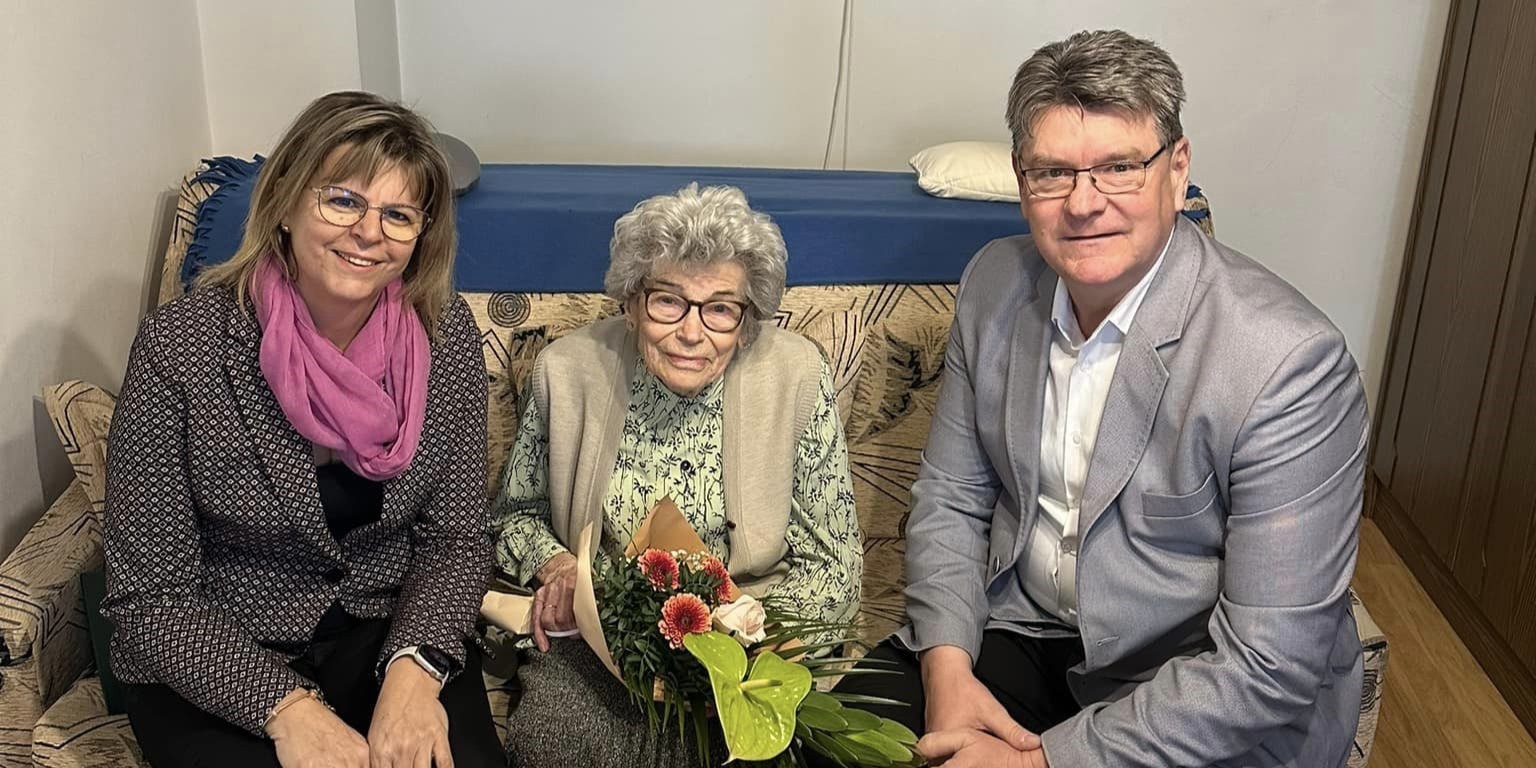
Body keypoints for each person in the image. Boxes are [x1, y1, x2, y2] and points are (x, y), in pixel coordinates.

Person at [830, 29, 1368, 768]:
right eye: (1053, 172)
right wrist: (948, 673)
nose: (1084, 204)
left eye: (1119, 167)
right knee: (833, 745)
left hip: (1195, 678)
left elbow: (1266, 665)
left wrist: (1036, 763)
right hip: (1027, 628)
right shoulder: (994, 283)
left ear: (1177, 170)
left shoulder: (1289, 361)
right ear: (1022, 182)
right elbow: (952, 499)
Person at [103, 91, 505, 768]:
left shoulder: (446, 333)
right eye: (343, 200)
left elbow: (456, 539)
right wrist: (288, 710)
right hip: (219, 653)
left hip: (389, 633)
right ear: (286, 203)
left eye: (398, 215)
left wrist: (414, 673)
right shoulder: (181, 345)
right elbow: (150, 595)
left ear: (421, 235)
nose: (369, 232)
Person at [492, 183, 863, 767]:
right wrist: (561, 568)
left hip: (753, 636)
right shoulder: (566, 370)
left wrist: (744, 642)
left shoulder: (797, 376)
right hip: (599, 638)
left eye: (720, 309)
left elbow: (834, 563)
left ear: (746, 320)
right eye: (668, 301)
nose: (692, 332)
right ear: (631, 302)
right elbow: (516, 516)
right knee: (557, 744)